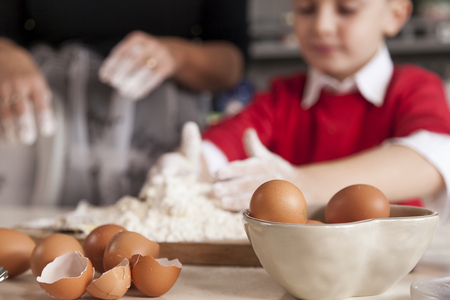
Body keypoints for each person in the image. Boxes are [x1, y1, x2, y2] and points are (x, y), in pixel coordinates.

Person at [144, 0, 450, 221]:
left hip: (393, 269)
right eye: (306, 9)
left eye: (346, 9)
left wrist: (303, 184)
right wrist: (191, 164)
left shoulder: (414, 88)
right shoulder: (282, 97)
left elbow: (432, 158)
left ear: (396, 14)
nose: (322, 25)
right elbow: (226, 142)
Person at [0, 0, 247, 205]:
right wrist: (6, 54)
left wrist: (178, 55)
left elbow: (233, 60)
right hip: (45, 133)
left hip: (161, 132)